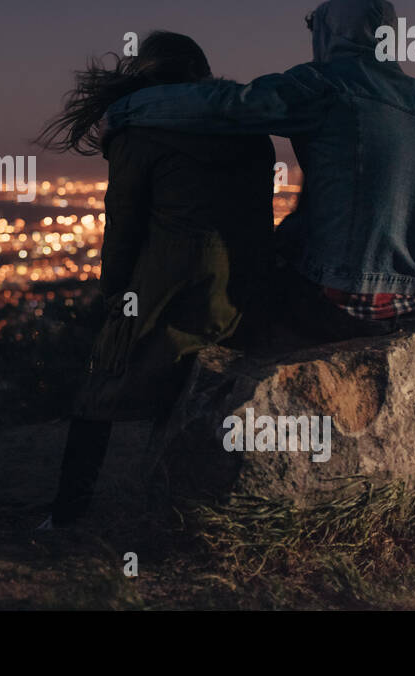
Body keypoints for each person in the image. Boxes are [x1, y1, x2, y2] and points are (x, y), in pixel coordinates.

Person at [103, 0, 415, 344]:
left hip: (348, 298)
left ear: (332, 33)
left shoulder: (326, 84)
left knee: (241, 290)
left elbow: (227, 107)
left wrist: (125, 109)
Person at [35, 32, 274, 528]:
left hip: (167, 277)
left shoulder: (136, 133)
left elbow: (123, 223)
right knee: (187, 385)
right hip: (240, 282)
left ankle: (66, 515)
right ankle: (176, 505)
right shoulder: (249, 129)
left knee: (102, 387)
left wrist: (114, 295)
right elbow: (257, 215)